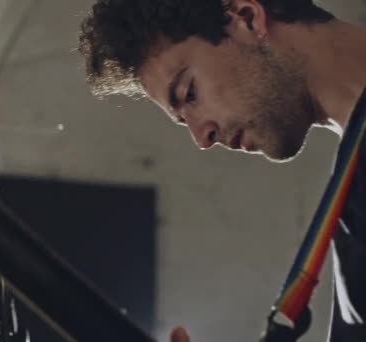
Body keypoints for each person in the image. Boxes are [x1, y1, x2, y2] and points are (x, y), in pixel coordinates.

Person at [77, 0, 366, 341]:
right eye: (184, 120)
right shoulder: (351, 191)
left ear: (246, 18)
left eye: (190, 93)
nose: (202, 137)